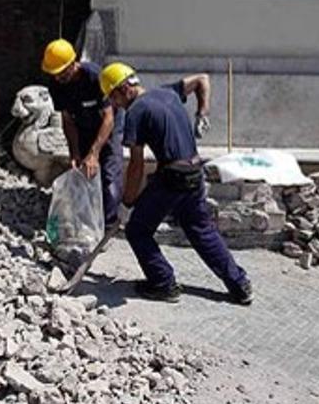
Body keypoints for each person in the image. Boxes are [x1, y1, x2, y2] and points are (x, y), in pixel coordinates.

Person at [100, 62, 252, 305]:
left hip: (172, 178)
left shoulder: (136, 112)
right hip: (194, 172)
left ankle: (163, 284)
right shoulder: (167, 92)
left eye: (114, 98)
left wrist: (126, 204)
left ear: (124, 88)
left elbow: (136, 166)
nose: (115, 105)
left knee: (137, 230)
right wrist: (202, 112)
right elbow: (202, 79)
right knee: (201, 230)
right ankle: (240, 285)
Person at [40, 39, 123, 229]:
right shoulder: (56, 85)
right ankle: (88, 222)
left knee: (109, 178)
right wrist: (75, 153)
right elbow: (67, 120)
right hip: (82, 125)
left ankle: (109, 226)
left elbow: (109, 117)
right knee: (84, 173)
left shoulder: (94, 77)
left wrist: (94, 154)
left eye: (61, 72)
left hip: (107, 126)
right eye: (54, 74)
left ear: (72, 63)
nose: (58, 77)